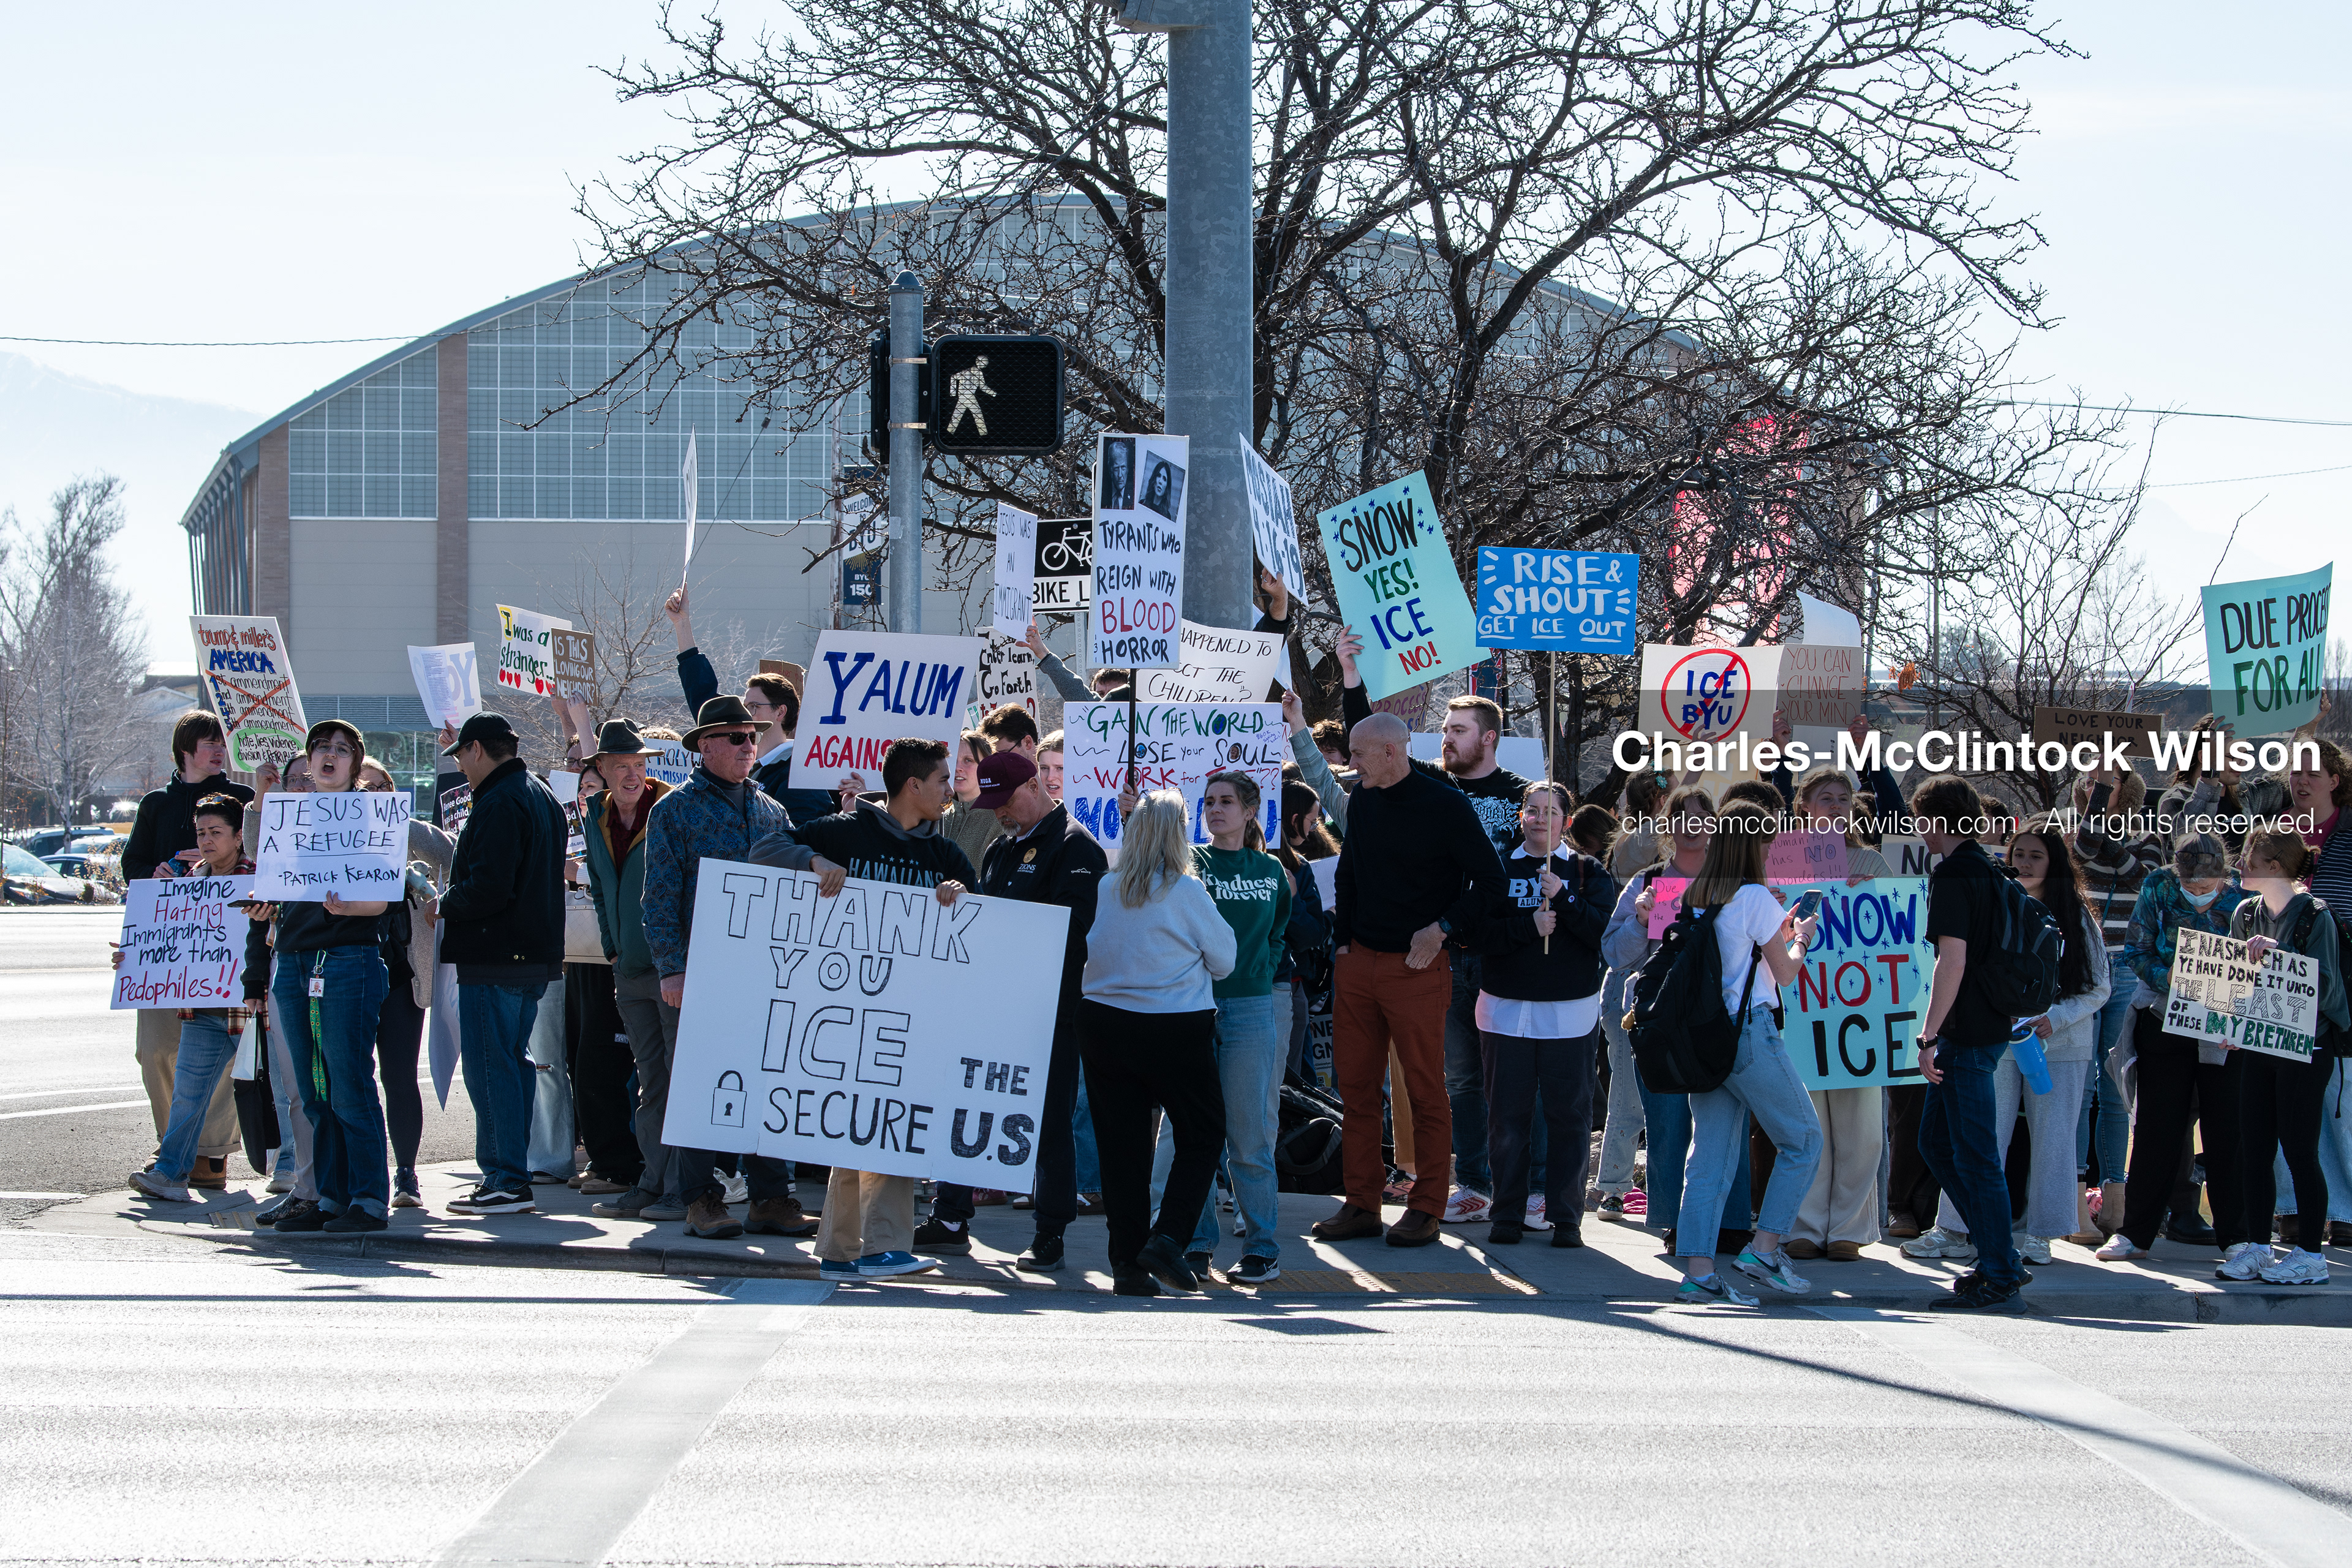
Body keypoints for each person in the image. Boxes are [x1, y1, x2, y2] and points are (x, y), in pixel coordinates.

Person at [753, 736, 968, 1280]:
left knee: (876, 1129)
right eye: (943, 779)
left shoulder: (944, 854)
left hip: (910, 1019)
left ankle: (843, 1251)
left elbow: (981, 920)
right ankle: (882, 1248)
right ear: (913, 785)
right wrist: (813, 859)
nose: (951, 789)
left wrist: (960, 894)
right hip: (846, 1014)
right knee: (868, 1128)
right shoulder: (843, 831)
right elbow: (762, 852)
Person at [643, 696, 840, 1240]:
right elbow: (658, 899)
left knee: (768, 1080)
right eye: (734, 737)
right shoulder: (674, 810)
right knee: (702, 1085)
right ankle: (701, 1199)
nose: (747, 745)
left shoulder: (770, 809)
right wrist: (672, 969)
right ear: (704, 746)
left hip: (767, 972)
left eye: (751, 736)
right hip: (703, 970)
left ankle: (771, 1197)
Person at [1317, 712, 1507, 1248]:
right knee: (1355, 1089)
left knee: (1426, 1091)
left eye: (1357, 753)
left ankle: (1426, 1206)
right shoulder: (1365, 801)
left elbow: (1491, 881)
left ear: (1391, 753)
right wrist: (1345, 945)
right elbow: (1349, 872)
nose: (1350, 764)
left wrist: (1443, 928)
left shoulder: (1446, 805)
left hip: (1419, 968)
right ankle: (1361, 1204)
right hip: (1360, 965)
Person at [1906, 819, 2111, 1265]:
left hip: (2061, 1044)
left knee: (2055, 1140)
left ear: (2056, 863)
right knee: (1981, 1137)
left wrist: (2055, 1017)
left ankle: (2043, 1234)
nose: (2026, 863)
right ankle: (1955, 1228)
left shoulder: (2076, 915)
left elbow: (2099, 988)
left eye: (2037, 856)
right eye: (2019, 855)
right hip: (1996, 1037)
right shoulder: (1997, 901)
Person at [1079, 790, 1237, 1295]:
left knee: (1121, 1147)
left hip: (1104, 1023)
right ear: (1177, 835)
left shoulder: (1105, 888)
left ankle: (1126, 1263)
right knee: (1203, 1133)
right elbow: (1226, 960)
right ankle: (1168, 1236)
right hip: (1173, 1025)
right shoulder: (1187, 892)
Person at [240, 721, 396, 1234]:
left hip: (348, 960)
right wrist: (263, 795)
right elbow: (267, 865)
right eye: (322, 749)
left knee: (348, 1084)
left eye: (342, 750)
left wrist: (352, 908)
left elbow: (385, 894)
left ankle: (369, 1200)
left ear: (356, 763)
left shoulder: (372, 816)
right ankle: (330, 1197)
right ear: (308, 761)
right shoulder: (292, 814)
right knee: (313, 1091)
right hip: (295, 960)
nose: (330, 756)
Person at [958, 748, 1107, 1271]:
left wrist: (1003, 928)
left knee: (1047, 1121)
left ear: (1034, 788)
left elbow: (1073, 930)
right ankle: (952, 1216)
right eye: (990, 802)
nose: (998, 812)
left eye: (1004, 800)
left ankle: (1051, 1231)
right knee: (969, 1105)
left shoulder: (1074, 846)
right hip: (997, 1003)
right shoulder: (1001, 848)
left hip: (1052, 1010)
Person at [1670, 801, 1823, 1306]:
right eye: (1770, 840)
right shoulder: (1755, 896)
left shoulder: (1696, 894)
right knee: (1803, 1140)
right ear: (1755, 845)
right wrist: (1800, 939)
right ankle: (1765, 1247)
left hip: (1704, 1037)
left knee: (1709, 1157)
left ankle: (1698, 1272)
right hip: (1749, 1033)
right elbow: (1785, 974)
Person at [1601, 786, 1753, 1252]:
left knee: (1729, 1123)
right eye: (1682, 816)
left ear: (1715, 824)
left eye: (1702, 815)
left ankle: (1730, 1223)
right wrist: (1640, 922)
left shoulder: (1733, 882)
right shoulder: (1647, 884)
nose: (1692, 824)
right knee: (1667, 1122)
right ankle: (1672, 1221)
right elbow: (1613, 952)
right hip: (1660, 1021)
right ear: (1667, 825)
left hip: (1720, 1019)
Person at [429, 712, 568, 1218]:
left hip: (496, 956)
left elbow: (489, 888)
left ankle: (505, 1178)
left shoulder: (499, 801)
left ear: (478, 750)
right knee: (514, 1065)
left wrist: (444, 902)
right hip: (534, 959)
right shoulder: (539, 793)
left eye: (461, 755)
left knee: (493, 1069)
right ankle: (511, 1172)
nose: (461, 766)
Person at [2095, 830, 2253, 1265]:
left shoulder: (2244, 894)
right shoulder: (2158, 885)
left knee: (2227, 1129)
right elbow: (2137, 951)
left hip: (2225, 1025)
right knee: (2156, 1128)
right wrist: (2181, 983)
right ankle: (2136, 1233)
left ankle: (2237, 1236)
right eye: (2192, 885)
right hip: (2164, 1016)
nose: (2199, 893)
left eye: (2208, 886)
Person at [1160, 770, 1292, 1284]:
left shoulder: (1273, 869)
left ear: (1251, 810)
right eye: (1209, 802)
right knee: (1194, 1133)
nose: (1216, 810)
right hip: (1192, 1008)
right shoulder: (1188, 864)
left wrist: (1258, 968)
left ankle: (1262, 1247)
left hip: (1252, 1009)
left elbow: (1279, 931)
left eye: (1227, 802)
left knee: (1249, 1133)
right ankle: (1197, 1244)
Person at [1911, 775, 2035, 1310]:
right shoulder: (1989, 868)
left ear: (1938, 821)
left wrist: (1929, 1035)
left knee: (1977, 1155)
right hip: (1988, 1025)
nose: (1918, 830)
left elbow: (1952, 960)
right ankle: (1996, 1251)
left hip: (1967, 1032)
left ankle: (2001, 1270)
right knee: (1937, 1144)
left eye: (1921, 819)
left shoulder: (1956, 874)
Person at [1477, 782, 1613, 1249]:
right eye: (1531, 810)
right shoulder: (1497, 866)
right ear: (1520, 817)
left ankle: (1566, 1216)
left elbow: (1602, 932)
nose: (1539, 818)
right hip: (1505, 1011)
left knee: (1569, 1116)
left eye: (1550, 811)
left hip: (1570, 1013)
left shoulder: (1588, 871)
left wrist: (1567, 899)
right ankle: (1507, 1213)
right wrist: (1527, 927)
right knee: (1507, 1117)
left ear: (1567, 822)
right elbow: (1479, 933)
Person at [122, 710, 254, 1186]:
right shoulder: (156, 804)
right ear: (185, 749)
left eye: (222, 741)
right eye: (209, 742)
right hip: (167, 946)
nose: (219, 749)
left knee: (218, 1050)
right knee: (155, 1048)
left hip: (224, 947)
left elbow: (265, 858)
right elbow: (131, 863)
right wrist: (154, 872)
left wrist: (222, 854)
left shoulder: (243, 800)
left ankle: (210, 1154)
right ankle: (172, 1144)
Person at [1780, 767, 1897, 1263]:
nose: (1834, 807)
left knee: (1862, 1124)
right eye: (1824, 798)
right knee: (1810, 1122)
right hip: (1803, 1001)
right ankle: (1805, 1225)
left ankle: (1849, 1227)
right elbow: (1776, 922)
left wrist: (1864, 894)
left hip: (1859, 1006)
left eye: (1843, 799)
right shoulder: (1784, 856)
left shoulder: (1871, 859)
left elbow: (1895, 928)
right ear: (1804, 805)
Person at [2220, 826, 2347, 1284]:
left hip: (2307, 1047)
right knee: (2253, 1149)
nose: (2239, 866)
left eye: (2249, 858)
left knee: (2299, 1149)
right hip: (2259, 1044)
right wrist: (2226, 1022)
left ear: (2274, 866)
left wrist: (2283, 955)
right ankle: (2257, 1245)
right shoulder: (2246, 913)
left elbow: (2328, 989)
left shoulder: (2316, 916)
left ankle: (2311, 1253)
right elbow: (2233, 982)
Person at [1428, 695, 1534, 1223]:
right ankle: (1473, 1185)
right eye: (1446, 729)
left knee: (1517, 1075)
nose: (1447, 738)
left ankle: (1532, 1189)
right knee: (1463, 1078)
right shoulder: (1433, 786)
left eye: (1459, 730)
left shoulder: (1522, 796)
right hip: (1446, 956)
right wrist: (1352, 680)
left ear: (1488, 737)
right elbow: (1371, 748)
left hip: (1502, 956)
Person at [2068, 761, 2164, 1239]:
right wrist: (2098, 816)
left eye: (2107, 781)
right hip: (2086, 964)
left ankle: (2116, 1196)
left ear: (2130, 789)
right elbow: (2084, 849)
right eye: (2090, 781)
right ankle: (2075, 1198)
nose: (2096, 786)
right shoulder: (2075, 831)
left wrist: (2111, 838)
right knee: (2081, 1087)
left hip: (2125, 966)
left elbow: (2142, 881)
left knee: (2114, 1086)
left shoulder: (2147, 835)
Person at [358, 760, 454, 1209]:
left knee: (399, 1076)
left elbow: (458, 857)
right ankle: (363, 1171)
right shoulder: (330, 835)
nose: (374, 796)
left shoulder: (412, 833)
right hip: (347, 971)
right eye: (364, 788)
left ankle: (407, 1173)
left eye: (382, 788)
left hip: (401, 973)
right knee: (351, 1078)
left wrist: (441, 899)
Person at [665, 586, 833, 822]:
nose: (745, 714)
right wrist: (682, 625)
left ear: (780, 712)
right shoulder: (746, 766)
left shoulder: (800, 774)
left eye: (754, 707)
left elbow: (798, 844)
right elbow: (705, 700)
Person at [943, 729, 1006, 869]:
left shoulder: (1001, 820)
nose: (958, 768)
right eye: (953, 760)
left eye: (968, 760)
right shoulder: (937, 818)